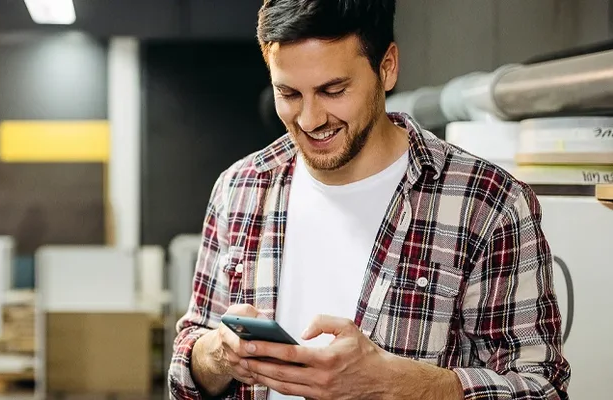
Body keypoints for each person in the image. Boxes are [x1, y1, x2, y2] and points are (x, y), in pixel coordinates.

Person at [167, 0, 571, 399]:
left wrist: (393, 383)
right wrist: (218, 354)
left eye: (333, 90)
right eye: (288, 93)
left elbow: (542, 388)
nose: (309, 119)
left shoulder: (488, 203)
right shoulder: (240, 188)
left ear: (387, 67)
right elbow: (186, 371)